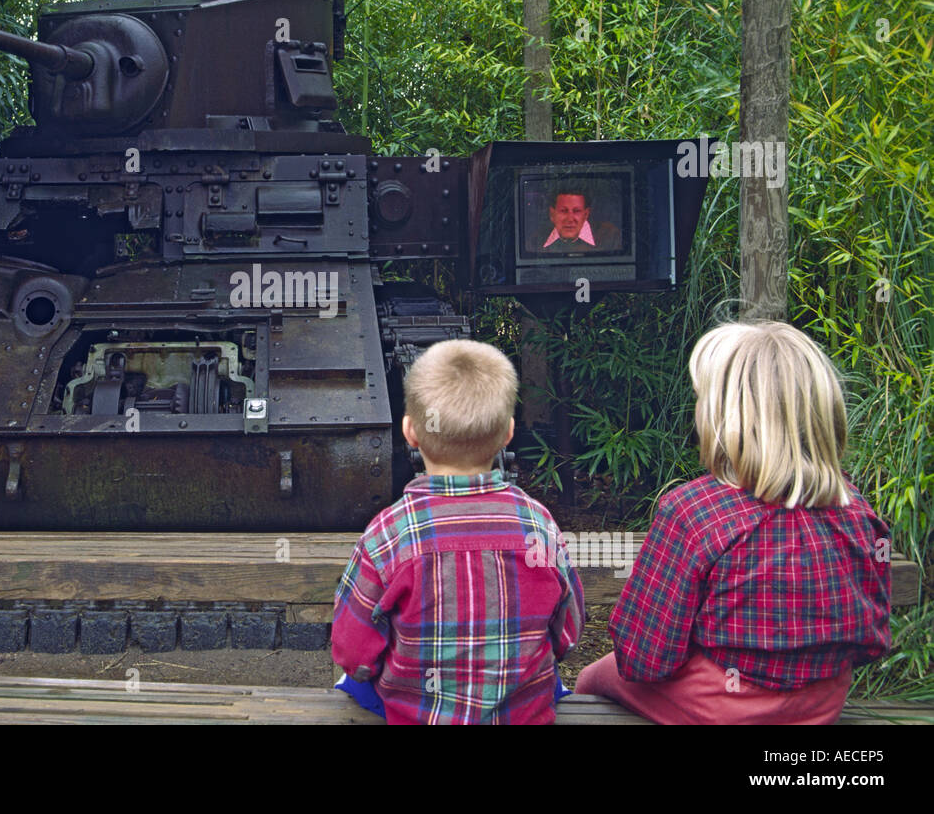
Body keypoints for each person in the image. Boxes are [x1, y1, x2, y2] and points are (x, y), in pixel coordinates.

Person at [575, 321, 892, 724]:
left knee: (592, 676)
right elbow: (871, 642)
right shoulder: (857, 511)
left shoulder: (694, 510)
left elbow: (644, 658)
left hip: (723, 706)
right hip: (822, 702)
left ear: (721, 416)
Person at [332, 339, 585, 724]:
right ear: (508, 433)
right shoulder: (538, 524)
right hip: (521, 712)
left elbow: (353, 652)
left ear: (410, 431)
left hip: (418, 713)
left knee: (348, 683)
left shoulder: (389, 532)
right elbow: (567, 632)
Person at [527, 189, 621, 253]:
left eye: (577, 211)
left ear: (586, 214)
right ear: (552, 214)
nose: (570, 219)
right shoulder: (536, 241)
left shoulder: (610, 236)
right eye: (563, 211)